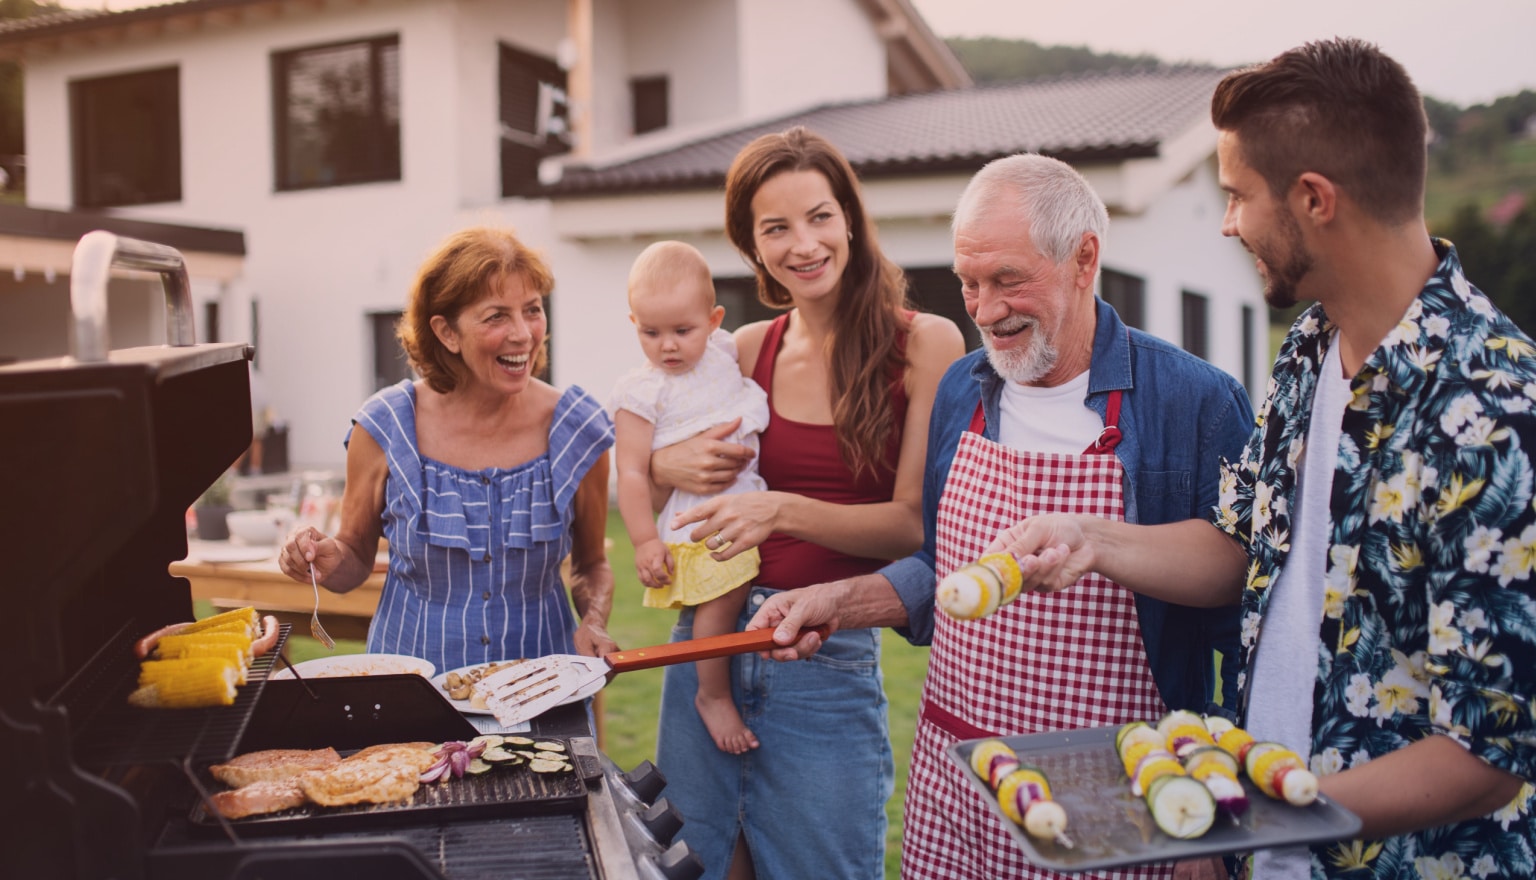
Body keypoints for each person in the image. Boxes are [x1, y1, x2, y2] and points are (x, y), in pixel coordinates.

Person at [772, 39, 1536, 880]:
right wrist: (1090, 540)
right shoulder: (1309, 353)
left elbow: (1493, 747)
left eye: (1238, 195)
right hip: (1236, 835)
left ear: (1314, 200)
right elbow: (1238, 559)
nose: (1226, 220)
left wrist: (1241, 816)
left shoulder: (1492, 412)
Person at [745, 151, 1253, 879]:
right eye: (968, 283)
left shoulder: (1193, 401)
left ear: (1084, 259)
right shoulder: (962, 389)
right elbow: (939, 568)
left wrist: (1209, 819)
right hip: (963, 779)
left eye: (1009, 280)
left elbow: (1241, 607)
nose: (984, 310)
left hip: (1123, 795)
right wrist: (842, 602)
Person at [644, 127, 966, 880]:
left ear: (849, 218)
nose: (804, 243)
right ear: (752, 247)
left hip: (825, 654)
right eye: (776, 228)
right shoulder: (746, 348)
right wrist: (665, 460)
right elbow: (656, 462)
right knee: (698, 867)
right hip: (709, 645)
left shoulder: (926, 343)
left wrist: (780, 510)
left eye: (820, 216)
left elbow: (914, 526)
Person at [278, 226, 618, 675]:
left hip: (541, 690)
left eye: (532, 310)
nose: (523, 333)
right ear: (446, 332)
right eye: (496, 316)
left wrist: (593, 619)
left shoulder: (577, 428)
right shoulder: (384, 425)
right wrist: (325, 560)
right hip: (410, 693)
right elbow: (355, 558)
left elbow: (591, 564)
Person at [611, 240, 770, 755]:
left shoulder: (724, 351)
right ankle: (711, 693)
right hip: (698, 516)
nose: (668, 346)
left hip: (747, 498)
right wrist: (642, 542)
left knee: (736, 596)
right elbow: (631, 471)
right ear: (633, 322)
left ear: (714, 319)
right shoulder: (642, 391)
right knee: (720, 597)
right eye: (650, 332)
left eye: (683, 330)